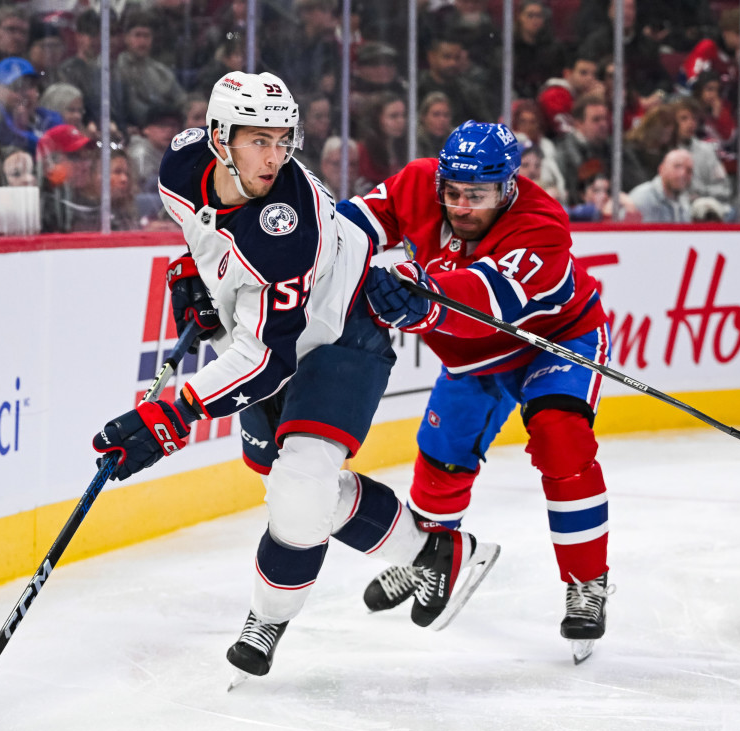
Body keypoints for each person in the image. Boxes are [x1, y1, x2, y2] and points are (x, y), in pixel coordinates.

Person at [91, 72, 497, 680]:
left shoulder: (287, 229)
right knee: (289, 487)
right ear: (219, 137)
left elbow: (266, 360)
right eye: (259, 140)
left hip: (342, 330)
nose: (275, 156)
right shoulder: (179, 163)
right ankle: (438, 552)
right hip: (271, 328)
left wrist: (168, 418)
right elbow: (205, 236)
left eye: (284, 140)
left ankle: (268, 619)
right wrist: (194, 277)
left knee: (300, 488)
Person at [337, 121, 614, 663]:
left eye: (477, 196)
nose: (461, 207)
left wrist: (423, 294)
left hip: (554, 342)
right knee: (442, 456)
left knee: (563, 441)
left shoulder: (543, 226)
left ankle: (588, 581)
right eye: (453, 193)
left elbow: (485, 300)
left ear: (508, 186)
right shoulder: (417, 185)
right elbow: (349, 228)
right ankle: (425, 555)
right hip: (475, 357)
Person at [629, 148, 694, 223]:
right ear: (661, 169)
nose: (682, 174)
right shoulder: (642, 198)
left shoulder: (684, 202)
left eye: (689, 170)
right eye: (677, 166)